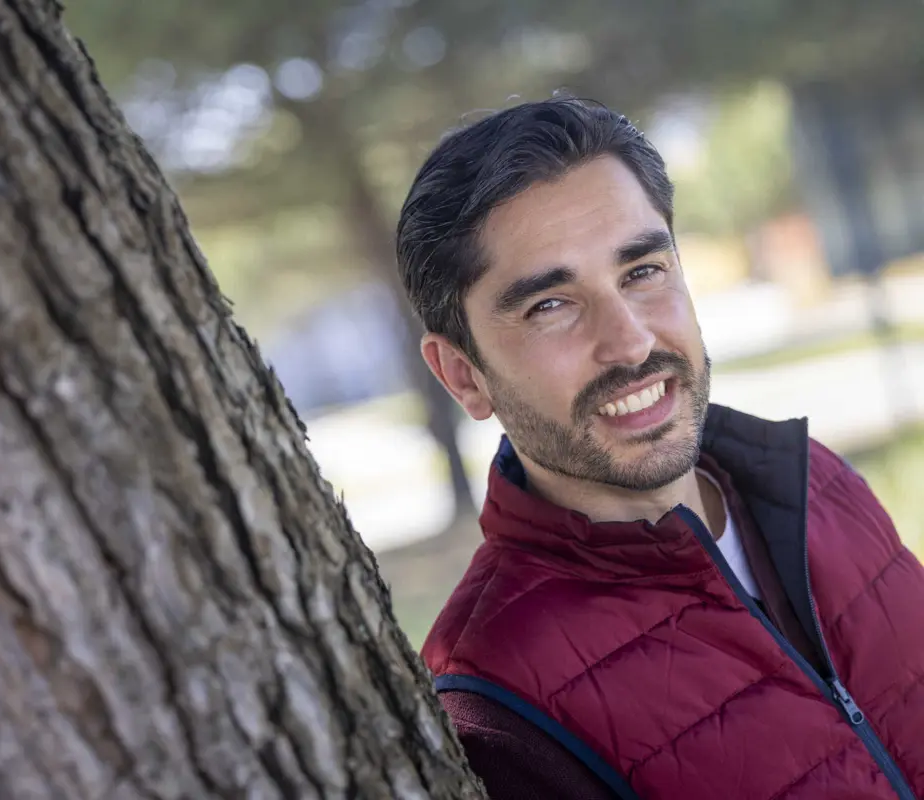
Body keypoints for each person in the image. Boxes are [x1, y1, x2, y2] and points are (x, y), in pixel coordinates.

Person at [395, 96, 924, 799]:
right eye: (550, 305)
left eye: (642, 271)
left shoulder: (815, 479)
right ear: (463, 374)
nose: (631, 342)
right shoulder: (496, 702)